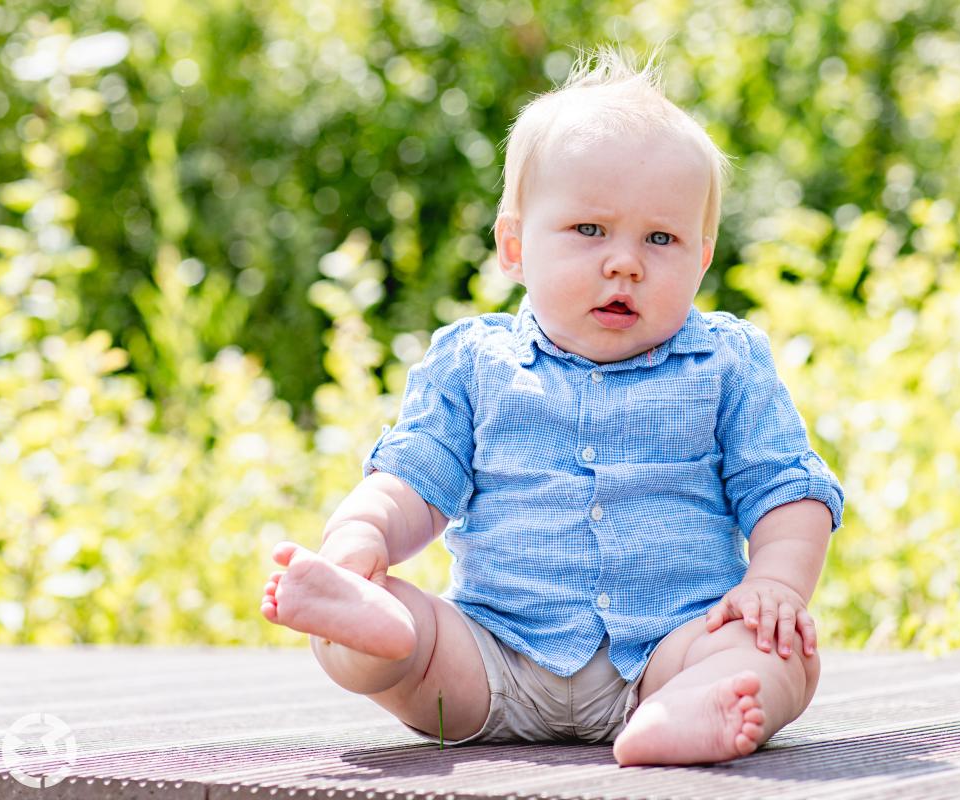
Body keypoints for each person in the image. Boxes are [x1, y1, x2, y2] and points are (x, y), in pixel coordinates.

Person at [260, 48, 843, 766]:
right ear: (514, 246)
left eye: (661, 238)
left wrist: (774, 586)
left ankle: (685, 714)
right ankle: (368, 627)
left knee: (780, 652)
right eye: (589, 231)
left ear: (701, 257)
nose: (625, 262)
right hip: (490, 657)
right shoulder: (474, 363)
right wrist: (362, 538)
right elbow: (411, 480)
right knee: (400, 631)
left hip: (671, 650)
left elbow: (788, 487)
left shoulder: (726, 364)